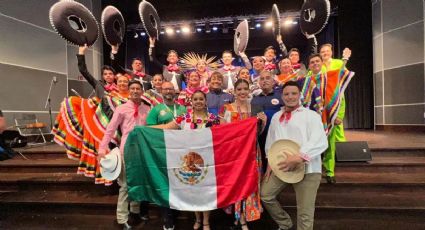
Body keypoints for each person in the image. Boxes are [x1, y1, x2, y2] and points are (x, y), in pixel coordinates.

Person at [260, 81, 328, 230]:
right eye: (286, 94)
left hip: (308, 169)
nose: (290, 97)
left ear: (300, 95)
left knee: (305, 212)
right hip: (282, 166)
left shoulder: (312, 116)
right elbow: (271, 141)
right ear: (282, 96)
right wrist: (270, 163)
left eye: (294, 93)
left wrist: (299, 157)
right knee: (265, 195)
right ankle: (285, 224)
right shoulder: (277, 117)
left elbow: (321, 141)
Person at [152, 90, 220, 230]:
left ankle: (206, 221)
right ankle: (197, 219)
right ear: (191, 102)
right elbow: (165, 128)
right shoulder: (183, 118)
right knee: (194, 191)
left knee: (206, 191)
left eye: (201, 99)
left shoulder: (214, 119)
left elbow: (229, 131)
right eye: (195, 99)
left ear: (206, 101)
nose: (199, 101)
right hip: (189, 162)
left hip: (207, 162)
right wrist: (143, 128)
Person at [98, 80, 151, 229]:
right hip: (126, 151)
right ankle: (122, 218)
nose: (135, 91)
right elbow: (110, 129)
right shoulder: (121, 109)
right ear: (129, 91)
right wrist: (102, 149)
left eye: (137, 88)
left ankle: (135, 211)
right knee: (126, 185)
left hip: (142, 152)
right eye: (132, 88)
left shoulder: (147, 109)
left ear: (142, 91)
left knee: (138, 183)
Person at [220, 79, 267, 230]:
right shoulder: (226, 108)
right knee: (237, 183)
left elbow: (258, 133)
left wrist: (264, 122)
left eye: (245, 89)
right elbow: (222, 133)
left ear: (249, 91)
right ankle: (239, 217)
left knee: (251, 183)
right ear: (234, 91)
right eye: (239, 89)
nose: (242, 92)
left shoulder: (256, 107)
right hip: (235, 154)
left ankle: (246, 215)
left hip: (253, 152)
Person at [145, 81, 186, 230]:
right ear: (161, 91)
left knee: (178, 181)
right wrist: (169, 127)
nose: (168, 91)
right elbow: (148, 129)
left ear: (175, 91)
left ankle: (175, 213)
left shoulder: (183, 108)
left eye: (171, 88)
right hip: (162, 151)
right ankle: (167, 218)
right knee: (164, 184)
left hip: (180, 152)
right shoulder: (156, 109)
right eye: (165, 89)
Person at [315, 45, 352, 184]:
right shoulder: (316, 67)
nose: (324, 53)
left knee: (330, 144)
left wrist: (340, 115)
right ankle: (316, 171)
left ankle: (330, 171)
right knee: (315, 143)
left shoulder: (338, 64)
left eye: (327, 51)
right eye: (322, 52)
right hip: (317, 113)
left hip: (332, 111)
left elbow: (340, 93)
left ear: (331, 52)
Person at [251, 71, 284, 172]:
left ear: (273, 81)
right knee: (263, 166)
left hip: (276, 138)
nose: (264, 81)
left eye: (267, 78)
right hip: (260, 138)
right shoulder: (254, 100)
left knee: (277, 166)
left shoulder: (281, 97)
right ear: (259, 83)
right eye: (262, 79)